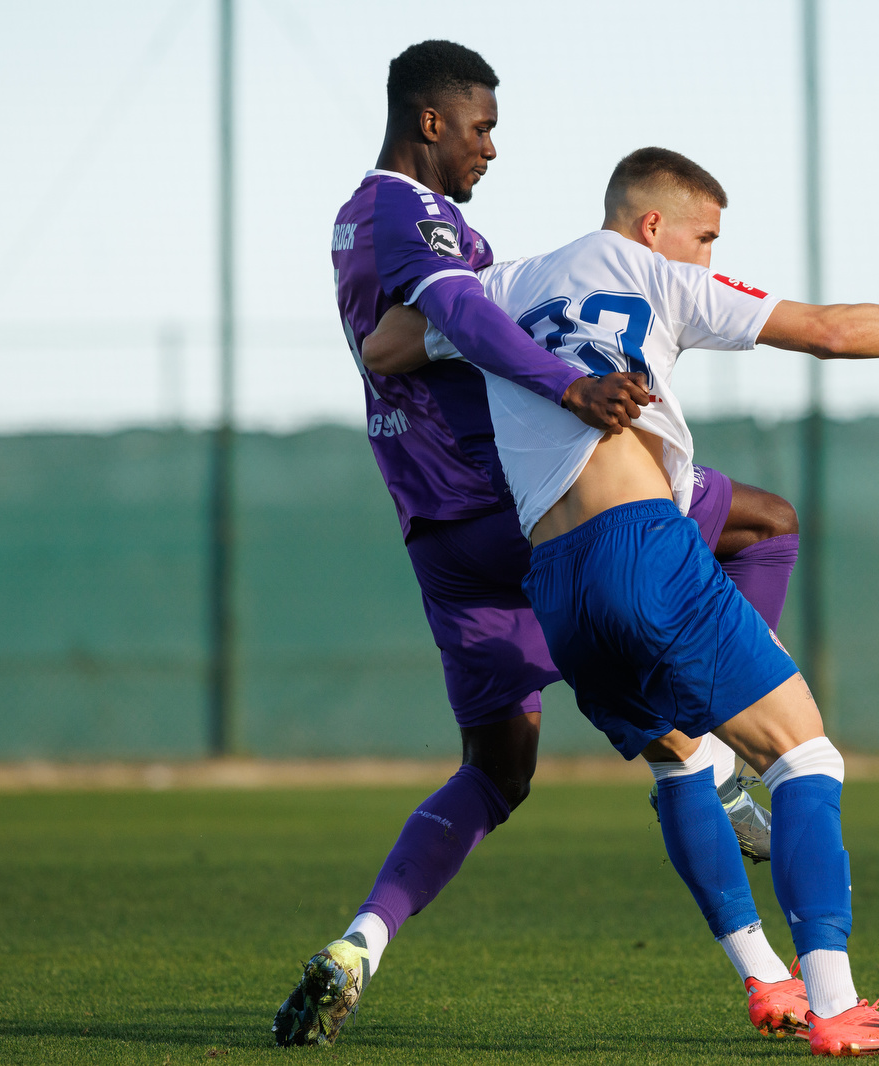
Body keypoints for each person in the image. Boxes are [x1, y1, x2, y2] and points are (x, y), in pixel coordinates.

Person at [273, 42, 801, 1046]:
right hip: (514, 505)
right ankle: (732, 758)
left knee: (498, 771)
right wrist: (571, 384)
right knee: (761, 530)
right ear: (431, 121)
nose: (490, 147)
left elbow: (398, 340)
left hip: (438, 540)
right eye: (481, 127)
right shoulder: (405, 210)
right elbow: (459, 312)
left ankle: (359, 941)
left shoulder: (367, 223)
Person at [425, 147, 879, 1055]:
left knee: (682, 763)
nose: (707, 257)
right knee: (805, 754)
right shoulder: (657, 271)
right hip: (643, 545)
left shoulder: (496, 288)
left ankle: (764, 981)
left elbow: (389, 342)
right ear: (654, 225)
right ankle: (839, 1006)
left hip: (557, 584)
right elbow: (828, 331)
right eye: (706, 237)